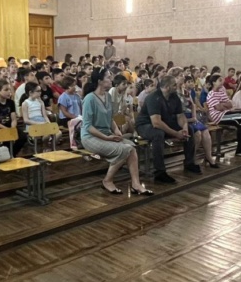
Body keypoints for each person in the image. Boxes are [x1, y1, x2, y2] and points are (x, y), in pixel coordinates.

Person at [82, 67, 152, 195]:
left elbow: (110, 118)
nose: (111, 80)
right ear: (99, 81)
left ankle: (135, 184)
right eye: (108, 78)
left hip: (106, 134)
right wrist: (107, 138)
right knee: (125, 149)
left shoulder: (108, 97)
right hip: (90, 137)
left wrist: (115, 130)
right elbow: (88, 127)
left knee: (131, 147)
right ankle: (107, 181)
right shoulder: (89, 99)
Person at [135, 75, 200, 183]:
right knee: (158, 134)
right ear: (167, 87)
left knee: (190, 128)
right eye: (174, 85)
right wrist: (176, 133)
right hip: (145, 125)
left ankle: (189, 163)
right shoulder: (153, 98)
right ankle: (160, 172)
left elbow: (180, 116)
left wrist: (184, 128)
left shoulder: (174, 96)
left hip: (164, 122)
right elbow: (156, 123)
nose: (177, 86)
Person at [205, 75, 241, 157]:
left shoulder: (221, 92)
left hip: (225, 113)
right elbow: (218, 108)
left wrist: (223, 104)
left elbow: (230, 104)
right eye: (219, 80)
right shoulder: (211, 94)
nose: (222, 82)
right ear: (213, 83)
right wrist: (224, 105)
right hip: (218, 116)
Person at [0, 80, 27, 156]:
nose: (9, 92)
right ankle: (8, 155)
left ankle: (12, 154)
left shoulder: (10, 102)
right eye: (6, 90)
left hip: (9, 126)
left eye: (9, 89)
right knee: (7, 138)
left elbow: (13, 118)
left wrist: (12, 127)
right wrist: (6, 129)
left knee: (23, 137)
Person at [57, 77, 83, 150]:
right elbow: (64, 112)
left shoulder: (76, 96)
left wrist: (81, 116)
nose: (75, 88)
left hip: (77, 117)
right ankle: (74, 142)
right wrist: (75, 117)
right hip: (66, 118)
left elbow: (81, 107)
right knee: (77, 123)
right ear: (68, 87)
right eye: (73, 86)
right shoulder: (63, 97)